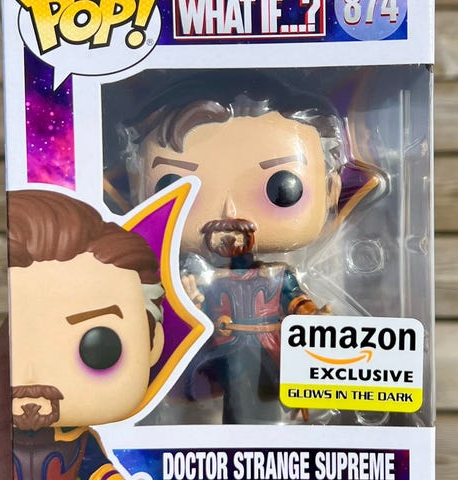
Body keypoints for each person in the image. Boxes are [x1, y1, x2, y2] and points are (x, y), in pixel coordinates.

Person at [125, 91, 380, 424]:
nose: (229, 211)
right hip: (216, 351)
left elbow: (296, 301)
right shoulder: (201, 277)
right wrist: (185, 300)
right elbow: (187, 316)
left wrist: (312, 317)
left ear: (332, 191)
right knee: (215, 389)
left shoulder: (278, 276)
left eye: (282, 186)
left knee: (265, 395)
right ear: (136, 189)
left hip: (269, 347)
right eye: (174, 183)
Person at [8, 190, 164, 480]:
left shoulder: (78, 442)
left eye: (98, 347)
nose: (32, 378)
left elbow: (101, 472)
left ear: (152, 343)